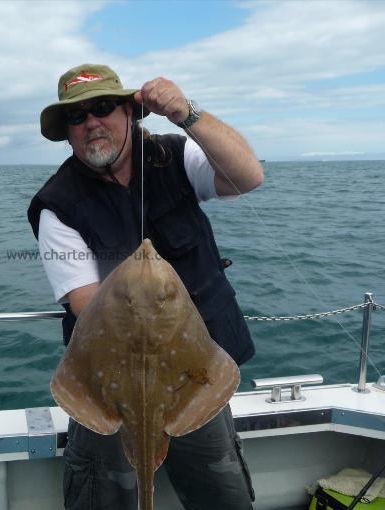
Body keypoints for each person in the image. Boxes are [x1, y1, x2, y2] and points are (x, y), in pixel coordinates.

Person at [27, 64, 263, 510]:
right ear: (67, 132)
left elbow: (247, 176)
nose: (92, 122)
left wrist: (186, 114)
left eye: (102, 107)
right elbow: (85, 302)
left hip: (194, 379)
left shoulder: (176, 155)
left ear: (130, 112)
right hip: (107, 387)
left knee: (223, 498)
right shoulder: (56, 206)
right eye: (77, 117)